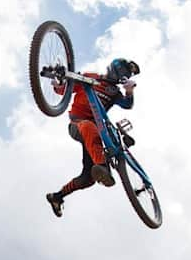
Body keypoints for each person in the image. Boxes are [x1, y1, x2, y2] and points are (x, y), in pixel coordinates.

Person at [46, 58, 140, 217]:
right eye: (121, 74)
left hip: (97, 131)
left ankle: (56, 197)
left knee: (87, 179)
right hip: (78, 124)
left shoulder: (115, 92)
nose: (119, 78)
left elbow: (127, 105)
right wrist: (58, 83)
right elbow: (66, 89)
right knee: (90, 128)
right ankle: (103, 165)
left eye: (123, 76)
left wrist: (129, 91)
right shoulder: (91, 78)